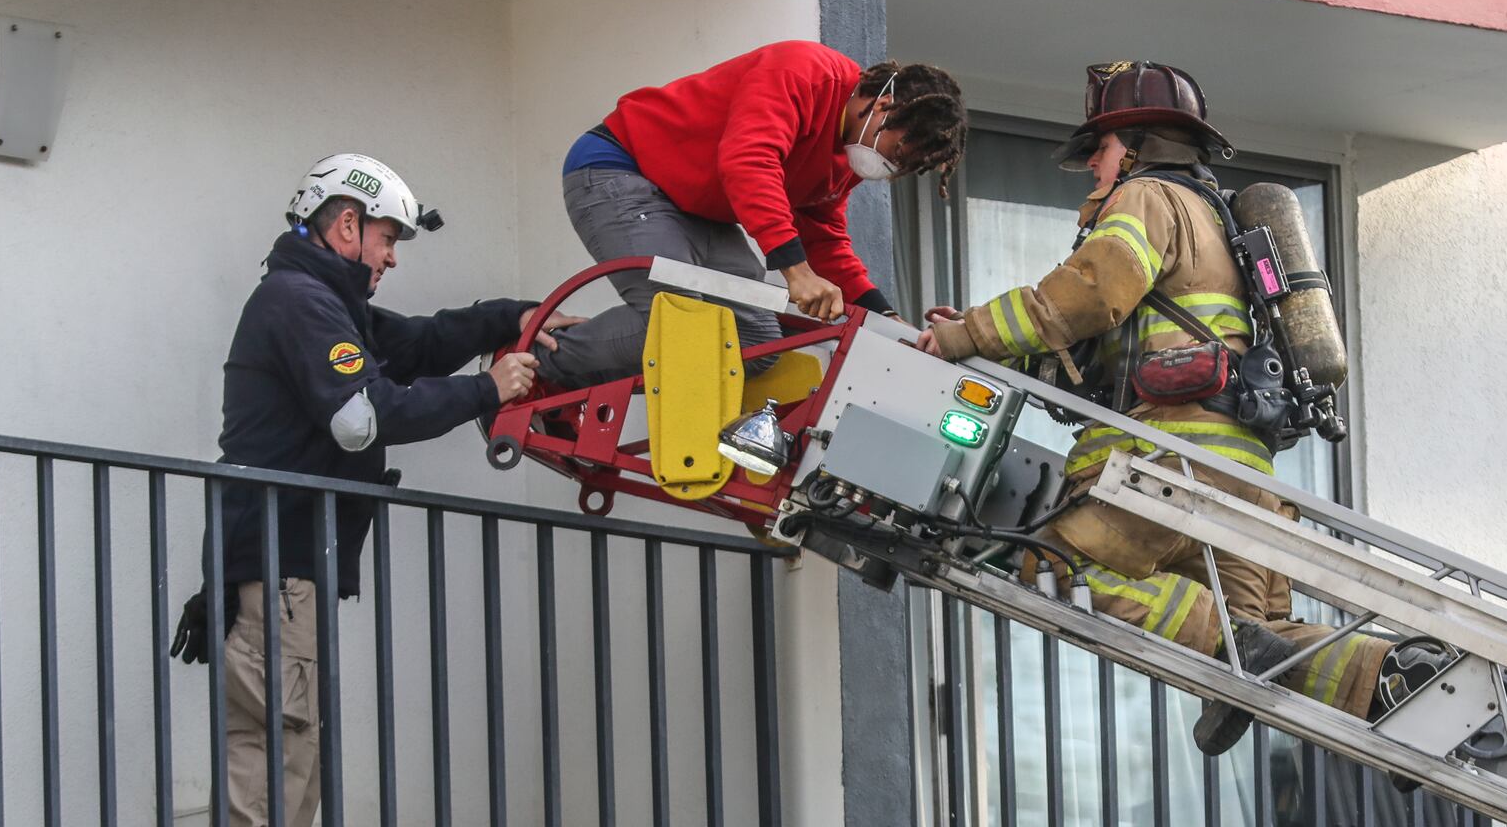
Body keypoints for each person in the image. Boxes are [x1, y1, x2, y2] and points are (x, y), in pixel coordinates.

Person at [916, 62, 1393, 755]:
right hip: (1246, 478)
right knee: (1261, 650)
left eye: (1099, 152)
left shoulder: (1144, 200)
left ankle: (1231, 646)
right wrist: (1002, 349)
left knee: (1048, 565)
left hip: (1169, 462)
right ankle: (1398, 680)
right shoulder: (1217, 224)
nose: (1092, 170)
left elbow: (1087, 295)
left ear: (1136, 147)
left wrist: (964, 337)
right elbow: (1109, 354)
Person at [168, 154, 578, 827]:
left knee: (289, 757)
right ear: (349, 226)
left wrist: (514, 318)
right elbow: (360, 418)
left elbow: (418, 342)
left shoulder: (322, 301)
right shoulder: (302, 302)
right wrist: (488, 388)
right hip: (278, 568)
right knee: (276, 760)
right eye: (389, 239)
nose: (392, 258)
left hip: (279, 567)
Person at [533, 40, 967, 389]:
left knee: (755, 345)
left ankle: (572, 380)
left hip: (698, 208)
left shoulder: (846, 155)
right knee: (685, 323)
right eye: (896, 153)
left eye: (903, 168)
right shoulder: (806, 70)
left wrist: (886, 320)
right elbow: (748, 161)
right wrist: (795, 272)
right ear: (884, 104)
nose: (888, 167)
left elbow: (824, 237)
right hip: (621, 167)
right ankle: (531, 365)